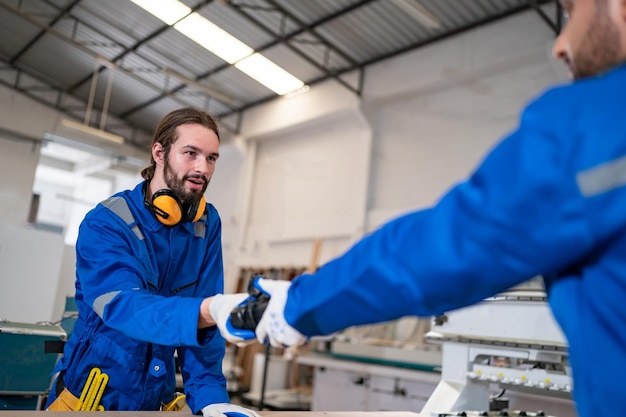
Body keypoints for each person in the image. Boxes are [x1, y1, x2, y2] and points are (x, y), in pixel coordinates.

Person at [213, 1, 626, 417]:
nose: (560, 45)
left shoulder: (597, 123)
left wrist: (299, 304)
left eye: (572, 13)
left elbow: (447, 250)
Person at [46, 107, 257, 417]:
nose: (202, 168)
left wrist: (211, 398)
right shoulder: (107, 222)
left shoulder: (205, 224)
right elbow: (123, 306)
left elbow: (204, 326)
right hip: (89, 403)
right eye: (190, 153)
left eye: (211, 158)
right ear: (159, 152)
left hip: (153, 404)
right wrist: (207, 310)